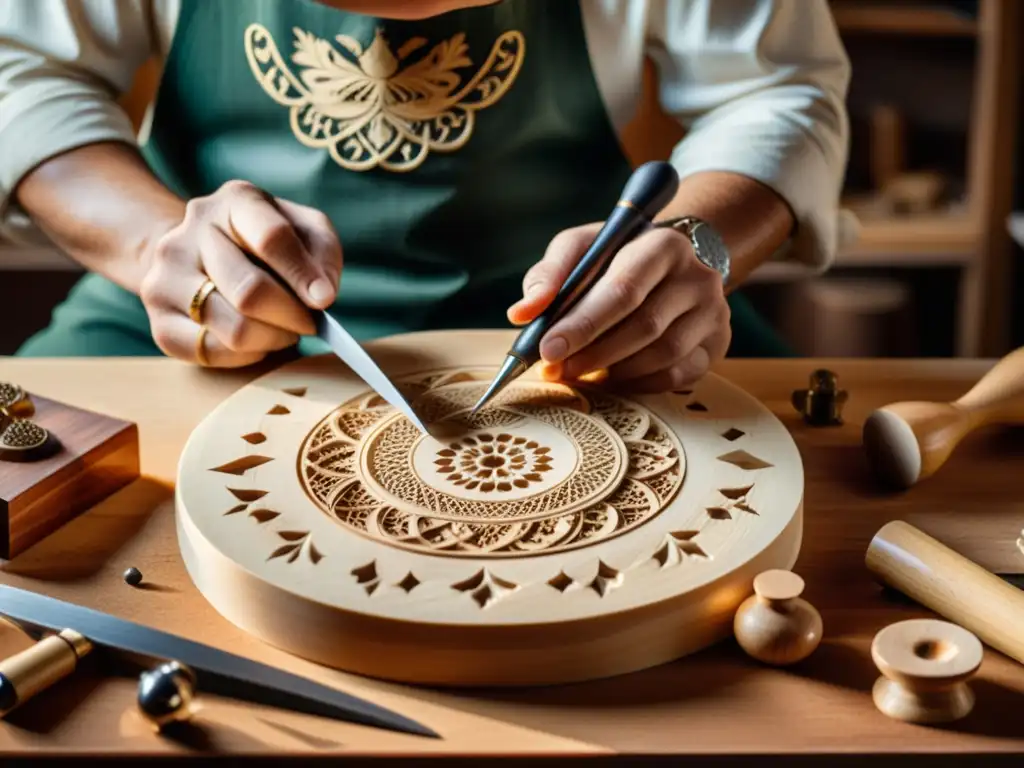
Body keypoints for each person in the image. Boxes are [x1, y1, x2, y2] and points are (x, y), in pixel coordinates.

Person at [0, 0, 850, 394]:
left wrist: (692, 241)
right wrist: (156, 247)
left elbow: (774, 92)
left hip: (569, 318)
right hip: (187, 302)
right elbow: (19, 66)